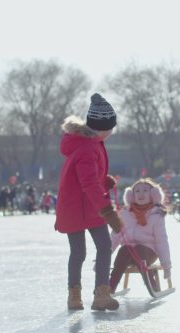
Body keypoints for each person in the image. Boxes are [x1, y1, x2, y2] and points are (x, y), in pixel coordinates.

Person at [55, 93, 121, 311]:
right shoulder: (89, 147)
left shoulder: (89, 143)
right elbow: (89, 183)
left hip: (76, 206)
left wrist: (105, 180)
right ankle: (100, 294)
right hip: (87, 206)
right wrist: (107, 211)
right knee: (103, 246)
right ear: (103, 127)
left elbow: (88, 177)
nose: (112, 132)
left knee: (79, 252)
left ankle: (75, 297)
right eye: (111, 127)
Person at [109, 179, 172, 293]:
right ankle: (110, 288)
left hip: (149, 252)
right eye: (137, 191)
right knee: (125, 248)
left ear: (153, 194)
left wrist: (166, 265)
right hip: (128, 254)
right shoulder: (124, 214)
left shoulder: (156, 215)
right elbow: (115, 237)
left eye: (145, 190)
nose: (141, 194)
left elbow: (161, 241)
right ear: (131, 195)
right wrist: (104, 257)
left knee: (138, 249)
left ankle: (153, 286)